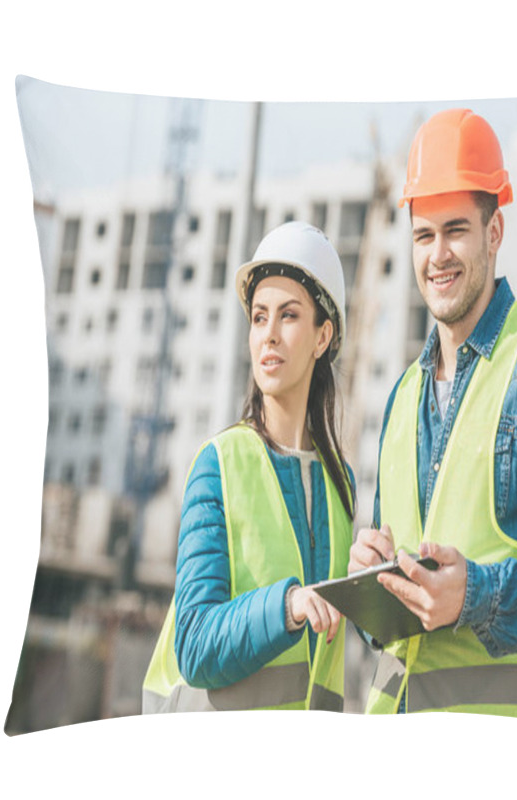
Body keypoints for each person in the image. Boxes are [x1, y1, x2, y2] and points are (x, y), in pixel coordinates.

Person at [349, 108, 517, 721]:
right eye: (423, 235)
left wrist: (477, 596)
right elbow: (398, 621)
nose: (437, 254)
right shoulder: (403, 396)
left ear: (494, 233)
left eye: (456, 231)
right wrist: (372, 585)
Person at [142, 221, 354, 713]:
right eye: (259, 318)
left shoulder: (341, 487)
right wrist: (288, 607)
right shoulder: (218, 464)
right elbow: (193, 645)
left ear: (323, 337)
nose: (269, 336)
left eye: (288, 316)